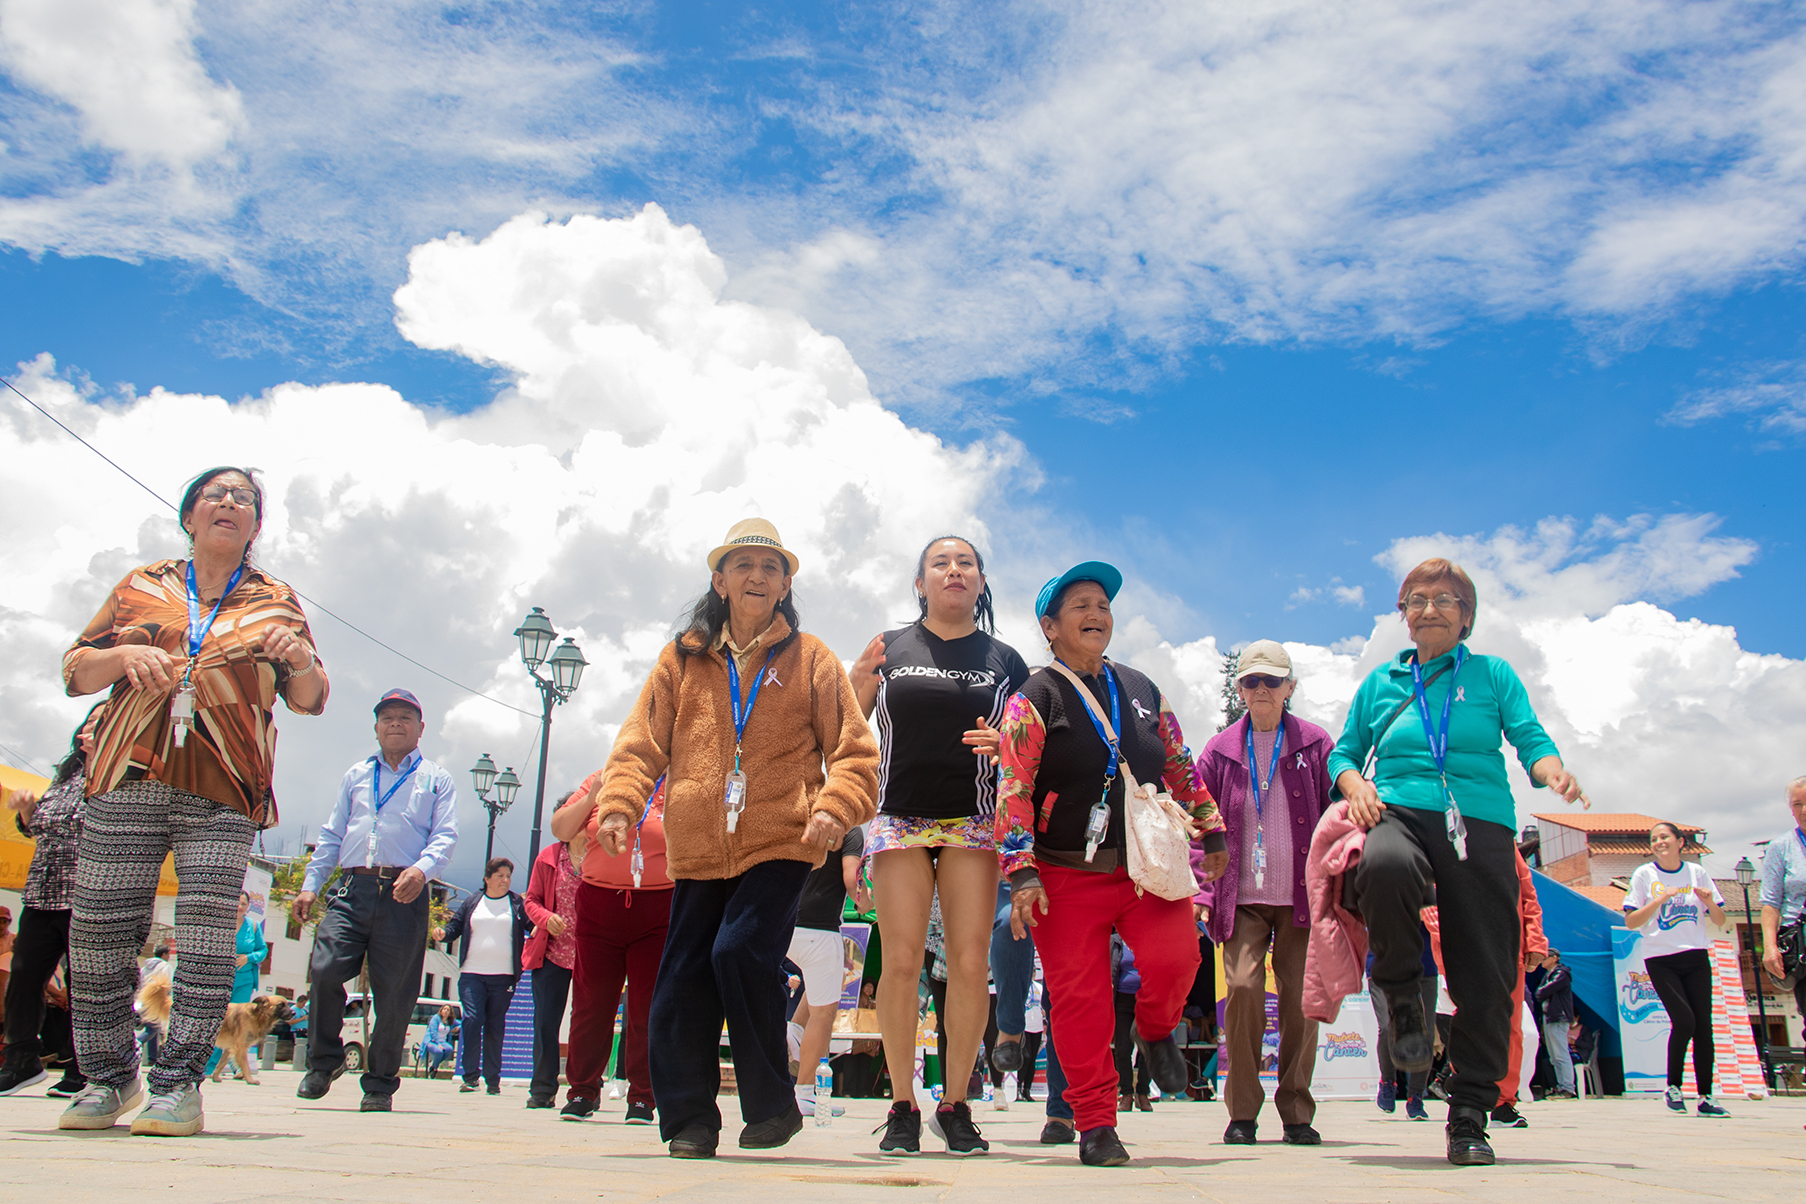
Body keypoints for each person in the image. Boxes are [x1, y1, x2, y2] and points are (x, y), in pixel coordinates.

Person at [587, 518, 878, 1159]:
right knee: (681, 979)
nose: (756, 576)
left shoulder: (814, 659)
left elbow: (858, 755)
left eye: (770, 568)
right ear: (719, 579)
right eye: (743, 564)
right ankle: (690, 1122)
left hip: (781, 839)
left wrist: (835, 808)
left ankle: (772, 1105)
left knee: (740, 952)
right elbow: (640, 745)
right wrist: (618, 808)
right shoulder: (681, 658)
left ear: (785, 585)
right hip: (697, 846)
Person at [61, 466, 328, 1137]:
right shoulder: (141, 586)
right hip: (128, 772)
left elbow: (312, 698)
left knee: (207, 938)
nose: (230, 504)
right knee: (97, 932)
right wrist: (124, 654)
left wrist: (296, 656)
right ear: (189, 516)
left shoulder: (278, 599)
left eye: (244, 500)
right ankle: (108, 1077)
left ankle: (178, 1085)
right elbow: (75, 670)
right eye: (217, 495)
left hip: (225, 780)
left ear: (256, 527)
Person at [1330, 557, 1584, 1167]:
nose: (1430, 608)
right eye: (1417, 598)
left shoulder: (1492, 675)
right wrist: (1352, 785)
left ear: (1466, 616)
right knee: (1383, 868)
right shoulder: (1380, 683)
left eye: (1445, 599)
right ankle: (1403, 1004)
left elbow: (1528, 735)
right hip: (1400, 811)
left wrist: (1549, 770)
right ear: (1403, 615)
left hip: (1480, 822)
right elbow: (1345, 752)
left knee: (1489, 976)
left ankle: (1469, 1114)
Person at [996, 561, 1228, 1167]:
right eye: (1081, 606)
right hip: (1064, 877)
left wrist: (1213, 827)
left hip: (1147, 871)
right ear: (1050, 627)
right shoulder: (1035, 696)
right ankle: (1096, 1124)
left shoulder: (1143, 689)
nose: (1097, 614)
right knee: (1081, 1002)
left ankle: (1154, 1031)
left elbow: (1178, 762)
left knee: (1179, 959)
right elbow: (1014, 786)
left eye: (1102, 604)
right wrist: (1020, 871)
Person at [847, 535, 1030, 1157]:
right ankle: (902, 1104)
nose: (954, 571)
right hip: (898, 816)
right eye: (939, 563)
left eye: (966, 563)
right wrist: (854, 684)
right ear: (919, 583)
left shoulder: (1006, 660)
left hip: (975, 819)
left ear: (981, 582)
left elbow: (1030, 748)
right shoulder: (887, 647)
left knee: (969, 963)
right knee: (899, 961)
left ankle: (955, 1104)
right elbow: (849, 736)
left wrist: (1006, 745)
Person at [1194, 639, 1334, 1146]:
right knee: (1245, 991)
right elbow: (1199, 822)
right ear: (1240, 689)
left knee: (1300, 1001)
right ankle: (1242, 1112)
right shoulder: (1219, 751)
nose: (1261, 690)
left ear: (1289, 688)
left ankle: (1297, 1110)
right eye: (1251, 681)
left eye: (1271, 681)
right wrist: (1202, 893)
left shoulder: (1316, 743)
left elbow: (1336, 817)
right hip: (1241, 895)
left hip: (1301, 897)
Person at [292, 687, 458, 1112]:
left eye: (405, 717)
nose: (396, 724)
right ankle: (324, 1062)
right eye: (387, 718)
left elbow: (445, 835)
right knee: (326, 969)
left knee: (395, 994)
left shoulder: (436, 779)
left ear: (421, 729)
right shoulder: (357, 775)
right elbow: (332, 834)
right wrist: (311, 883)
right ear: (376, 727)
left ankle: (380, 1083)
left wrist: (421, 871)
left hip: (405, 891)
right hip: (354, 887)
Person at [550, 777, 672, 1125]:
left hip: (658, 906)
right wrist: (593, 795)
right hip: (600, 903)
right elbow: (560, 828)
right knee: (591, 1003)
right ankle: (582, 1091)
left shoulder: (677, 781)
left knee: (647, 1007)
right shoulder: (602, 778)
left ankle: (643, 1097)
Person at [0, 706, 103, 1097]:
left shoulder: (120, 776)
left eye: (101, 724)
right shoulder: (65, 777)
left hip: (88, 897)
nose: (89, 730)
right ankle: (21, 1060)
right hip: (42, 894)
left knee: (84, 987)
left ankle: (83, 1068)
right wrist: (27, 809)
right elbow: (37, 827)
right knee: (24, 981)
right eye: (88, 724)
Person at [1623, 821, 1729, 1117]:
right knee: (1684, 1020)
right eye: (1654, 839)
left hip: (1695, 956)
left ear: (1680, 842)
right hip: (1660, 958)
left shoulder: (1697, 872)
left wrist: (1710, 902)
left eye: (1664, 837)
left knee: (1703, 1026)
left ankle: (1706, 1097)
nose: (1659, 842)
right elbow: (1632, 921)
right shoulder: (1645, 874)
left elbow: (1719, 921)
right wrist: (1660, 898)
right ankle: (1673, 1088)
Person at [786, 825, 866, 1117]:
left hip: (785, 925)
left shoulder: (804, 822)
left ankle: (793, 1030)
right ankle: (805, 1093)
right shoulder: (850, 832)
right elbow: (851, 880)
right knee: (824, 1015)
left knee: (819, 990)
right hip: (821, 930)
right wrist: (868, 901)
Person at [438, 858, 528, 1095]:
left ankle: (492, 1080)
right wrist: (442, 934)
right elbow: (454, 927)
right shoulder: (472, 902)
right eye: (500, 875)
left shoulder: (517, 903)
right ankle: (469, 1077)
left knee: (495, 1026)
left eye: (508, 876)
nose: (505, 880)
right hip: (471, 973)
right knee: (472, 1019)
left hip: (503, 976)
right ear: (487, 878)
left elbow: (533, 925)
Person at [522, 794, 588, 1109]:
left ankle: (585, 1088)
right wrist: (547, 919)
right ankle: (543, 1088)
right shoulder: (548, 858)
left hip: (591, 955)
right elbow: (530, 901)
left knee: (585, 1023)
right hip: (551, 954)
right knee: (546, 1022)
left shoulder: (601, 856)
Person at [1369, 930, 1436, 1121]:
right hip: (1382, 960)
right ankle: (1388, 1081)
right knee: (1388, 1026)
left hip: (1423, 962)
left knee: (1426, 1031)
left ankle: (1416, 1096)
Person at [203, 891, 269, 1079]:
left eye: (243, 904)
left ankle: (238, 1066)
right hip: (220, 980)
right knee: (219, 1023)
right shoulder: (220, 924)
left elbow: (262, 950)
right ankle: (210, 1066)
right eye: (237, 903)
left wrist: (248, 958)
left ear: (248, 906)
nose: (239, 907)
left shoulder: (254, 926)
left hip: (244, 981)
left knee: (240, 1025)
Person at [1760, 778, 1806, 1022]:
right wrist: (1770, 947)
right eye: (1798, 804)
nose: (1804, 810)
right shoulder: (1781, 847)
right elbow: (1770, 904)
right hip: (1802, 942)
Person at [1110, 935, 1150, 1111]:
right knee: (1122, 1049)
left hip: (1147, 1000)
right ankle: (1126, 1094)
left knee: (1147, 1049)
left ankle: (1143, 1093)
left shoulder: (1150, 937)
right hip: (1121, 1001)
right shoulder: (1115, 941)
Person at [1535, 950, 1577, 1099]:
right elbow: (1539, 994)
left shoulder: (1561, 973)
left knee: (1561, 1053)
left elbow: (1541, 993)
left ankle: (1568, 1088)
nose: (1542, 961)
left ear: (1554, 959)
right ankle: (1560, 1086)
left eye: (1545, 958)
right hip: (1549, 1018)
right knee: (1554, 1055)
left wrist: (1541, 993)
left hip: (1559, 1018)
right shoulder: (1548, 975)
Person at [421, 1004, 457, 1077]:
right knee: (439, 1052)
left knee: (449, 1049)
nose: (446, 1011)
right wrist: (438, 1044)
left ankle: (433, 1065)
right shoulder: (436, 1018)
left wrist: (458, 1028)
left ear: (450, 1013)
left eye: (448, 1010)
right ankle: (435, 1069)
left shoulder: (450, 1021)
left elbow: (462, 1023)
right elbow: (433, 1031)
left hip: (443, 1041)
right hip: (431, 1041)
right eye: (444, 1009)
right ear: (441, 1010)